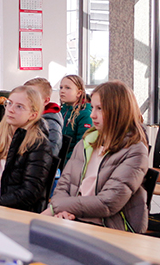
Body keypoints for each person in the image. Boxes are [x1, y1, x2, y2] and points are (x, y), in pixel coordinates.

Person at [44, 80, 149, 233]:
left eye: (100, 109)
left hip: (111, 227)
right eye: (92, 107)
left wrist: (56, 208)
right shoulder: (87, 142)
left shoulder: (135, 150)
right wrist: (63, 212)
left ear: (118, 111)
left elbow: (107, 203)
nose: (92, 115)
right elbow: (64, 184)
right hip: (76, 218)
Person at [59, 74, 92, 166]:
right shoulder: (61, 111)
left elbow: (82, 145)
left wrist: (67, 164)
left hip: (71, 164)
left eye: (67, 88)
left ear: (79, 93)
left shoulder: (85, 115)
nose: (62, 91)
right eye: (61, 87)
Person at [24, 77, 63, 157]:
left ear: (45, 101)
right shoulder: (30, 117)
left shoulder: (51, 124)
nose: (26, 100)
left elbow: (50, 154)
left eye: (32, 97)